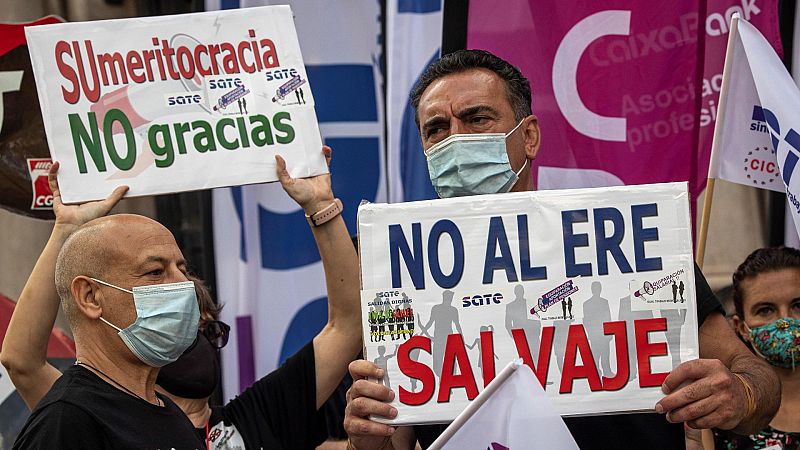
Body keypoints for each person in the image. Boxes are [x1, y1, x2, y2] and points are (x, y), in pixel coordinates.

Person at [342, 49, 781, 450]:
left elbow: (757, 377)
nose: (456, 140)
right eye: (436, 129)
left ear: (529, 136)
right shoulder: (400, 270)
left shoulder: (630, 237)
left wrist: (739, 395)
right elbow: (392, 440)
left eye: (477, 119)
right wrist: (368, 435)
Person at [2, 146, 362, 449]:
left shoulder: (176, 419)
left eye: (206, 330)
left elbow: (346, 326)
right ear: (91, 297)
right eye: (155, 273)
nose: (182, 290)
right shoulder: (72, 417)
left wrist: (322, 205)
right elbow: (22, 361)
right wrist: (67, 231)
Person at [713, 247, 800, 449]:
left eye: (798, 305)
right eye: (766, 310)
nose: (784, 321)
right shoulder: (721, 416)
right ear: (742, 327)